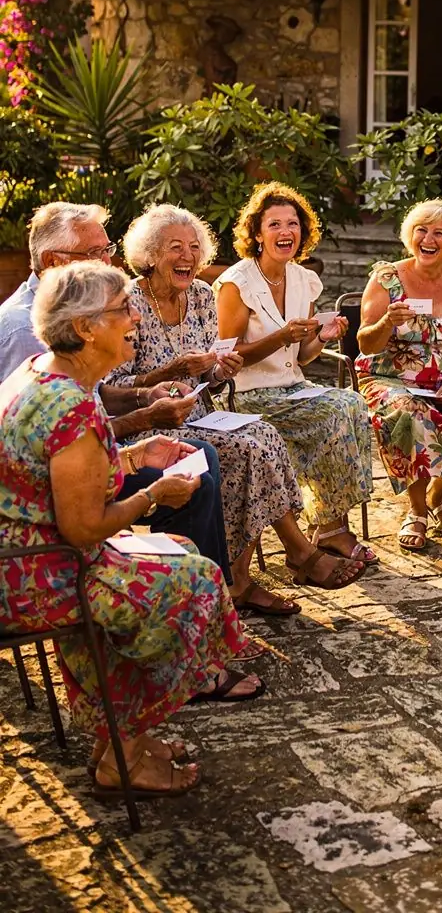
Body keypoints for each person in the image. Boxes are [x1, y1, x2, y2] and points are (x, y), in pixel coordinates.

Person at [0, 262, 263, 800]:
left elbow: (60, 477)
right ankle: (123, 750)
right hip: (39, 576)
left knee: (183, 550)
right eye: (123, 308)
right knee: (195, 583)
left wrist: (138, 455)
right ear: (85, 329)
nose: (136, 315)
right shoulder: (70, 404)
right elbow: (84, 528)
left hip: (30, 555)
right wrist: (152, 494)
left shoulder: (41, 371)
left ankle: (121, 742)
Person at [108, 203, 365, 598]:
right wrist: (164, 375)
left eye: (194, 248)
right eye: (175, 247)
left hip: (200, 413)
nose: (188, 257)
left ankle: (257, 569)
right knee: (248, 449)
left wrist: (218, 370)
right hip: (150, 425)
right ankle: (286, 559)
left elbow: (208, 375)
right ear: (150, 255)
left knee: (264, 435)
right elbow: (112, 389)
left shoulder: (200, 295)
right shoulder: (128, 303)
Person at [0, 201, 232, 580]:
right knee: (194, 569)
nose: (111, 262)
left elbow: (70, 446)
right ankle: (215, 602)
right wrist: (151, 487)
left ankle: (222, 596)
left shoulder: (55, 361)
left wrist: (138, 449)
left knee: (197, 463)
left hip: (60, 512)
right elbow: (74, 511)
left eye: (107, 250)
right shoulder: (25, 333)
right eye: (96, 254)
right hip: (46, 560)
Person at [214, 181, 376, 566]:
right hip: (246, 395)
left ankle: (329, 526)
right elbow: (226, 356)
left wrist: (323, 335)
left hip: (291, 389)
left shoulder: (303, 279)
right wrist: (280, 336)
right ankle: (330, 529)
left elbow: (301, 357)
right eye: (274, 224)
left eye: (293, 224)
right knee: (334, 412)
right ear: (256, 233)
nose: (285, 232)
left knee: (351, 403)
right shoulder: (238, 283)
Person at [356, 199, 442, 552]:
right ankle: (417, 510)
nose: (428, 238)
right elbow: (365, 342)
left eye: (439, 233)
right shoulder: (387, 279)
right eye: (422, 230)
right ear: (411, 236)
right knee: (408, 415)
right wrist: (387, 322)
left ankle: (437, 496)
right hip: (389, 379)